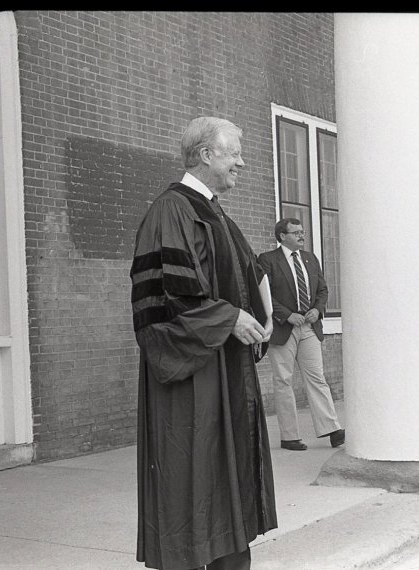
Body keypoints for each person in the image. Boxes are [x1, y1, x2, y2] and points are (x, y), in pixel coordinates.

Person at [130, 117, 277, 570]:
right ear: (205, 154)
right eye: (233, 152)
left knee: (223, 481)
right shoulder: (172, 211)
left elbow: (249, 274)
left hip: (224, 371)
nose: (242, 161)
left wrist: (263, 316)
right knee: (193, 480)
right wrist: (229, 318)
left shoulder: (214, 213)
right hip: (193, 377)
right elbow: (167, 300)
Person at [257, 218, 344, 451]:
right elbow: (263, 294)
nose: (301, 236)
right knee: (283, 380)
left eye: (302, 232)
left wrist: (317, 309)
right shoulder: (267, 260)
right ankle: (289, 436)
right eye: (296, 232)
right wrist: (286, 315)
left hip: (308, 327)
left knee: (317, 377)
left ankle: (332, 429)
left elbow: (323, 289)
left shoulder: (310, 258)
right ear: (282, 236)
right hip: (283, 328)